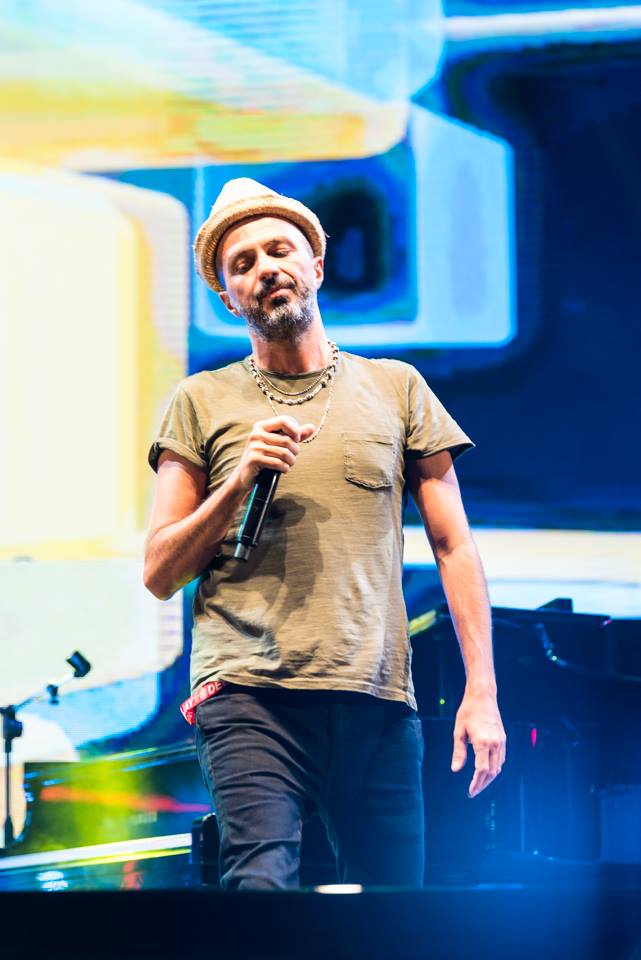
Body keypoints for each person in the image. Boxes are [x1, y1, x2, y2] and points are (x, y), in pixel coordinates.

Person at [144, 177, 506, 890]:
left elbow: (453, 546)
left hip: (377, 697)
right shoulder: (199, 400)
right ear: (228, 298)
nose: (264, 268)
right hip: (248, 694)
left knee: (392, 914)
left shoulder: (396, 387)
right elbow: (159, 571)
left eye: (278, 250)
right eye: (242, 263)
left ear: (315, 263)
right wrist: (237, 481)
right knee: (262, 886)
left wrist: (482, 692)